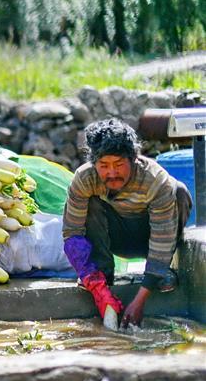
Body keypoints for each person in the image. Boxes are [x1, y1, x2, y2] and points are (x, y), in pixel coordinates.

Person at [62, 119, 191, 329]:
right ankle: (102, 273)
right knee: (91, 203)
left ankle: (160, 272)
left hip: (149, 239)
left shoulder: (155, 180)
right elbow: (72, 233)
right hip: (116, 238)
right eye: (104, 166)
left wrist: (140, 300)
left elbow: (162, 236)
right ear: (94, 163)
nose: (112, 173)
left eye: (119, 165)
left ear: (133, 159)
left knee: (179, 192)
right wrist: (93, 281)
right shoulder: (85, 178)